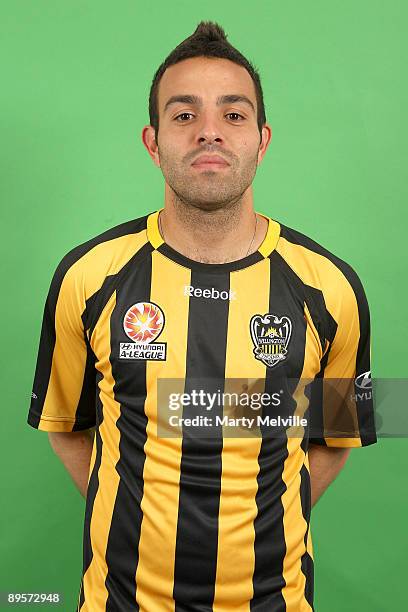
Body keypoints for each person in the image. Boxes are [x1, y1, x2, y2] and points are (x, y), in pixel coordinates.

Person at [27, 20, 377, 612]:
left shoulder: (334, 288)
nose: (209, 132)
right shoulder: (86, 276)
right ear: (152, 140)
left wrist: (260, 520)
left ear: (262, 140)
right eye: (184, 115)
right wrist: (131, 508)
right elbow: (64, 424)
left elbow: (340, 437)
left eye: (233, 115)